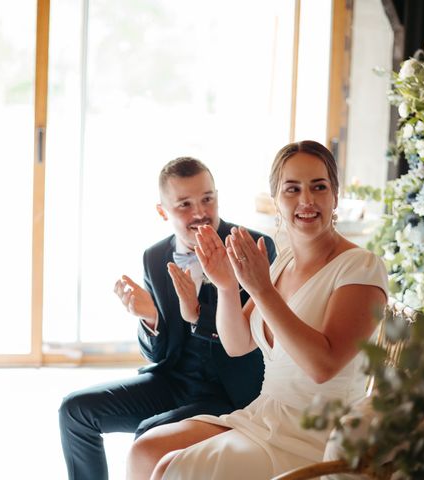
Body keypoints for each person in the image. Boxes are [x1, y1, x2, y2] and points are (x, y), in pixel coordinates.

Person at [126, 140, 388, 480]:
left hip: (313, 431)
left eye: (318, 187)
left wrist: (262, 289)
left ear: (334, 196)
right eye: (292, 189)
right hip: (263, 413)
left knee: (171, 468)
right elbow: (237, 345)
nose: (306, 200)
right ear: (277, 201)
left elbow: (323, 366)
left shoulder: (360, 267)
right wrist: (225, 285)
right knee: (144, 451)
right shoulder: (284, 263)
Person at [58, 157, 276, 480]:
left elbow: (248, 341)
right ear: (163, 212)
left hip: (231, 391)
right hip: (173, 381)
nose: (200, 212)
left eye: (207, 199)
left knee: (149, 434)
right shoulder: (155, 256)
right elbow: (159, 354)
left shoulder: (253, 247)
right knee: (74, 412)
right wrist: (150, 318)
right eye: (185, 204)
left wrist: (197, 314)